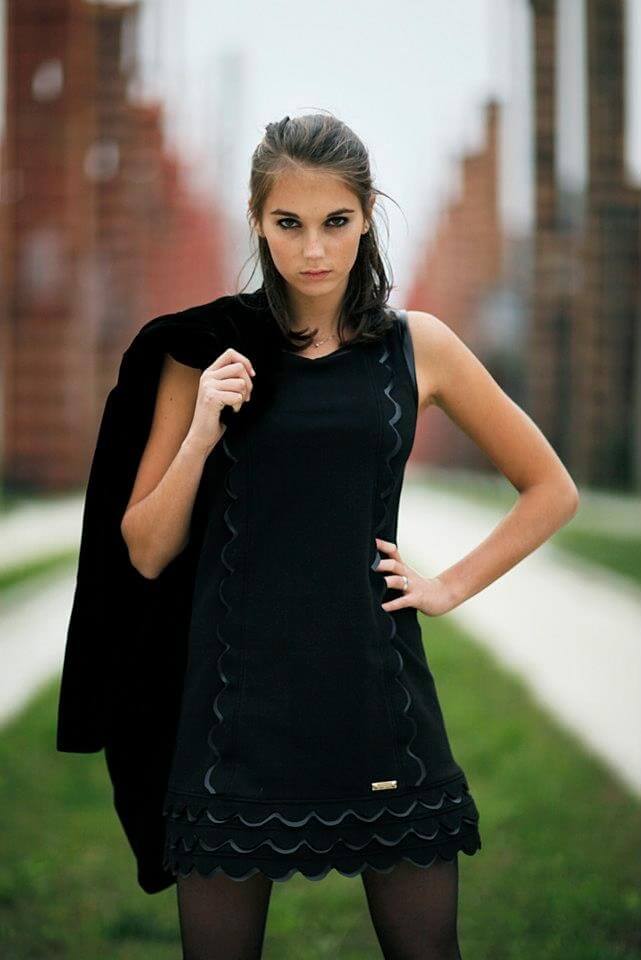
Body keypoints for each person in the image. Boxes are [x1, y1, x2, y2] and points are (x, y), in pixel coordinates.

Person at [115, 112, 578, 959]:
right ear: (257, 221)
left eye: (334, 221)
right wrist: (200, 433)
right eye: (288, 223)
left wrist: (447, 585)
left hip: (376, 697)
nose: (313, 249)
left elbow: (550, 489)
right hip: (233, 715)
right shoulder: (204, 353)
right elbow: (145, 549)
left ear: (366, 215)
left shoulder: (418, 346)